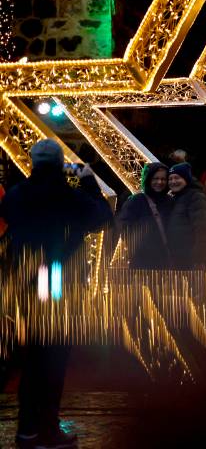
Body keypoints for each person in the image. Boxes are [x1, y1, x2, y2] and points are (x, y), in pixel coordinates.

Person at [0, 139, 112, 449]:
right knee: (54, 357)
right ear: (60, 161)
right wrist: (88, 183)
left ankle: (27, 430)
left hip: (26, 282)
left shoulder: (16, 196)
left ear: (34, 163)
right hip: (58, 282)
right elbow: (102, 217)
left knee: (31, 356)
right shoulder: (69, 196)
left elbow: (9, 213)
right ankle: (48, 429)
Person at [116, 162, 172, 268]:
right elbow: (124, 227)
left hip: (165, 262)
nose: (159, 182)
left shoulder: (170, 201)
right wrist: (140, 248)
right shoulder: (136, 201)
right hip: (142, 262)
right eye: (155, 178)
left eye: (163, 179)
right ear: (148, 179)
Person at [165, 162, 206, 270]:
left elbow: (203, 230)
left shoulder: (196, 197)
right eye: (170, 179)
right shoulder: (175, 198)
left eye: (177, 178)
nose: (173, 181)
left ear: (186, 179)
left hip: (190, 261)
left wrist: (198, 259)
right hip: (178, 258)